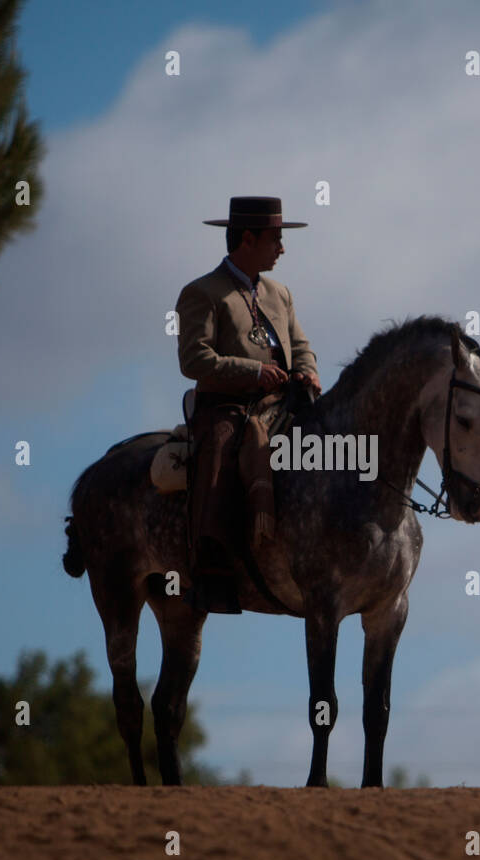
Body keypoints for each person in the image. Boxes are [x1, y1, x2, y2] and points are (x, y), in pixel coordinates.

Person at [176, 196, 322, 614]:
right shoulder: (202, 293)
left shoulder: (281, 293)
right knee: (221, 453)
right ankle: (212, 570)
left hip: (284, 404)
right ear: (247, 238)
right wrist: (253, 373)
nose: (282, 248)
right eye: (275, 238)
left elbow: (301, 346)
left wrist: (308, 371)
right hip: (227, 407)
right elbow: (194, 360)